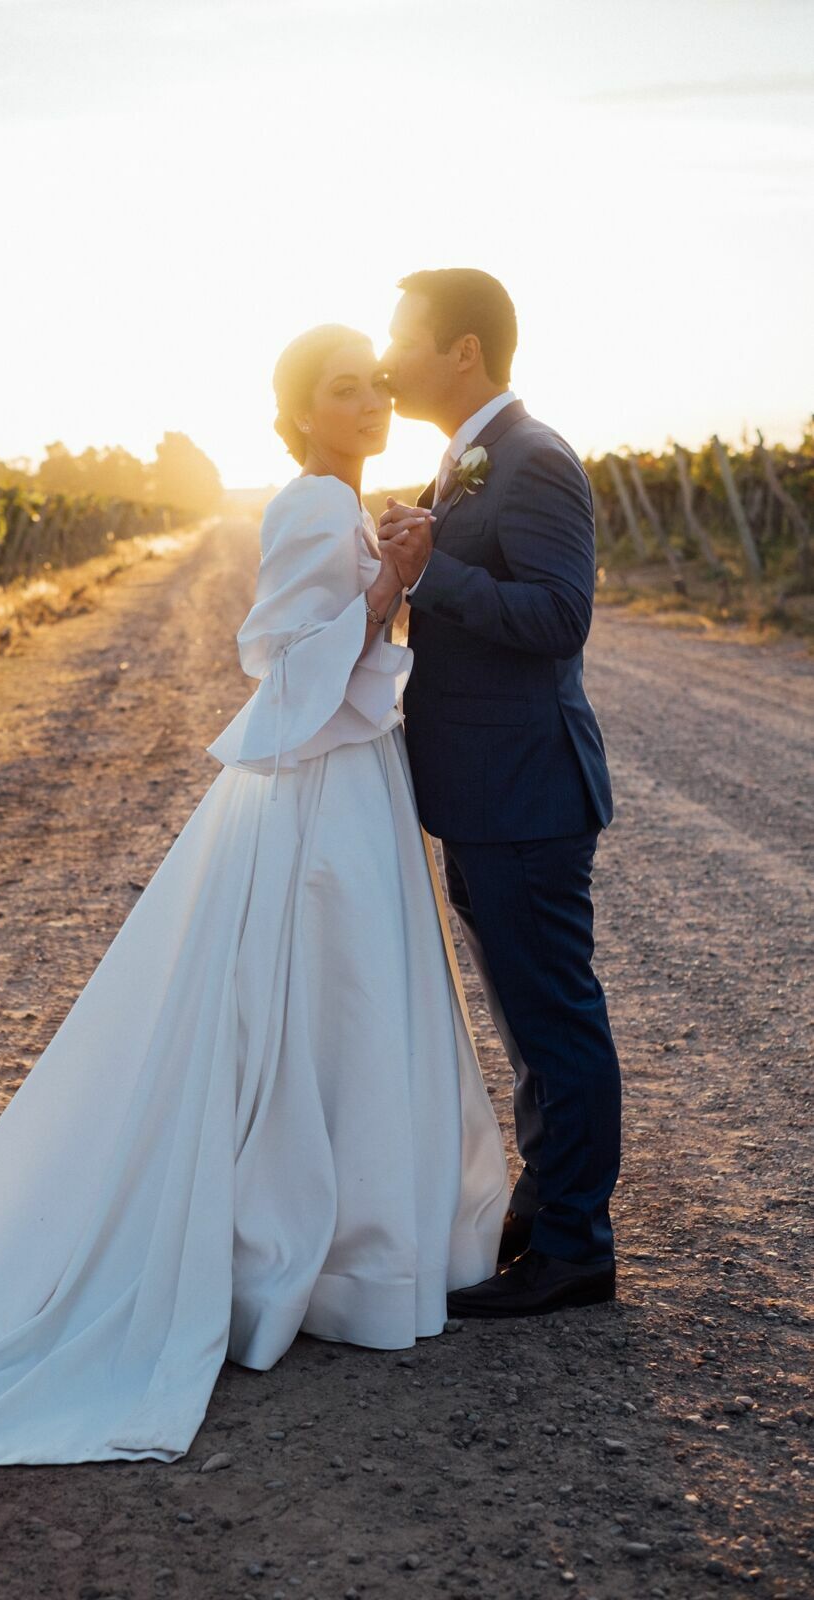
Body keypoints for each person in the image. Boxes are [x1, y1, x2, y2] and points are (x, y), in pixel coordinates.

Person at [0, 324, 508, 1470]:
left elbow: (343, 649)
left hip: (351, 775)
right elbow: (281, 657)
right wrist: (393, 581)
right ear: (301, 414)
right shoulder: (308, 502)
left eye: (369, 385)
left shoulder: (344, 499)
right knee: (320, 998)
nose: (366, 401)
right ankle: (328, 1248)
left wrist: (389, 570)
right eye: (341, 390)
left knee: (339, 1004)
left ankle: (357, 1236)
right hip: (315, 789)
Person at [378, 268, 621, 1317]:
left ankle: (575, 1246)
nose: (389, 356)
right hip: (483, 795)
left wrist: (433, 575)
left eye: (403, 334)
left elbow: (559, 615)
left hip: (525, 792)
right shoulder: (462, 460)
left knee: (555, 1020)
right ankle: (544, 1203)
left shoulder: (531, 458)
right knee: (526, 1022)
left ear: (462, 350)